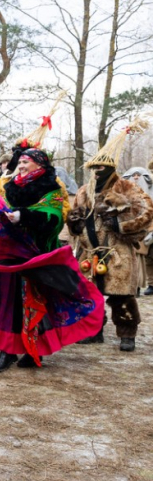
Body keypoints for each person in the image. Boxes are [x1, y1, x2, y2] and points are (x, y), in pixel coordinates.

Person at [0, 148, 104, 372]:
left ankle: (35, 350)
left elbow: (54, 218)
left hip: (36, 255)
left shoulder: (52, 188)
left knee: (35, 302)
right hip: (8, 254)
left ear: (40, 166)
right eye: (20, 162)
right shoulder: (10, 186)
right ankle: (8, 350)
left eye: (26, 162)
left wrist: (24, 216)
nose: (20, 166)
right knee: (9, 302)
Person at [67, 123, 153, 352]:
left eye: (100, 166)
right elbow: (75, 216)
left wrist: (120, 223)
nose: (96, 170)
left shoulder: (125, 186)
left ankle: (127, 334)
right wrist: (74, 222)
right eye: (93, 166)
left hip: (118, 251)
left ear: (109, 167)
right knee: (89, 295)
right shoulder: (84, 190)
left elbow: (147, 211)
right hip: (89, 252)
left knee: (121, 296)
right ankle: (94, 331)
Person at [120, 166, 153, 295]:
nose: (136, 177)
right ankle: (135, 286)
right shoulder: (122, 193)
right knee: (132, 259)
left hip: (149, 230)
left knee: (149, 259)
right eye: (133, 175)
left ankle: (150, 284)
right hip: (130, 230)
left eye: (139, 175)